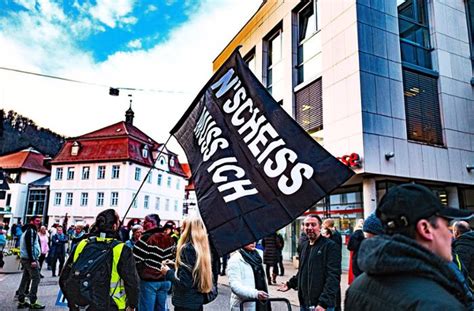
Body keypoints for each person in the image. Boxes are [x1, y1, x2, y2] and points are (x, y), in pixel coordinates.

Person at [345, 183, 473, 310]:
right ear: (425, 229)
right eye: (445, 225)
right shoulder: (440, 304)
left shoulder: (357, 288)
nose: (450, 236)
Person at [60, 209, 139, 310]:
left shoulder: (82, 244)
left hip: (82, 303)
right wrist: (132, 304)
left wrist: (71, 301)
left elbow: (64, 277)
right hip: (111, 304)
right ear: (115, 226)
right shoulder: (121, 249)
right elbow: (132, 282)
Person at [278, 214, 341, 311]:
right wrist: (290, 284)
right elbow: (302, 271)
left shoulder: (330, 246)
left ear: (320, 227)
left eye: (313, 225)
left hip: (322, 306)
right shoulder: (304, 246)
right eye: (307, 225)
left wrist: (323, 303)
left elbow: (333, 277)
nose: (310, 228)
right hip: (305, 304)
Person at [160, 215, 214, 311]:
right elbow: (193, 272)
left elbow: (184, 283)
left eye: (183, 227)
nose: (180, 229)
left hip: (185, 303)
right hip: (196, 301)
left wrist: (167, 272)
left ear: (189, 230)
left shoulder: (187, 248)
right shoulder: (202, 248)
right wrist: (176, 265)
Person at [133, 214, 175, 311]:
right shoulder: (169, 239)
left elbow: (135, 259)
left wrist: (140, 274)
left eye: (145, 222)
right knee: (161, 308)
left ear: (151, 224)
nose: (143, 224)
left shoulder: (146, 239)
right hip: (165, 280)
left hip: (149, 282)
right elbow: (173, 258)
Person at [227, 242, 270, 311]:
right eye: (249, 241)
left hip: (262, 302)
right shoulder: (235, 260)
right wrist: (255, 294)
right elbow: (235, 286)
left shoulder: (259, 255)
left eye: (254, 240)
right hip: (245, 305)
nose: (253, 243)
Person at [17, 216, 45, 309]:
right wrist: (33, 260)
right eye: (37, 221)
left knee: (25, 278)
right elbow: (30, 246)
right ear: (31, 221)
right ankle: (33, 300)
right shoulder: (31, 231)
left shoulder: (27, 230)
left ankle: (21, 300)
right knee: (36, 278)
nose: (38, 223)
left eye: (39, 221)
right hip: (29, 259)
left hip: (26, 258)